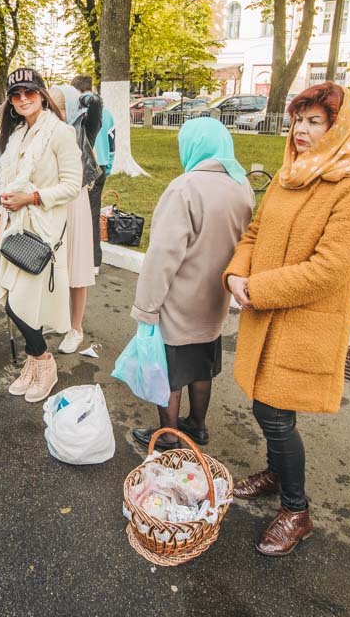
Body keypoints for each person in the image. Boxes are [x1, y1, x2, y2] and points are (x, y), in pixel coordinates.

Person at [222, 82, 350, 556]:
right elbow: (256, 231)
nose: (301, 130)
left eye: (314, 122)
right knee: (265, 402)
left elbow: (330, 270)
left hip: (303, 320)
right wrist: (236, 274)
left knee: (274, 410)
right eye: (298, 119)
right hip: (265, 311)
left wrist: (258, 290)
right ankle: (275, 473)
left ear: (339, 127)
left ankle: (296, 510)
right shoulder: (292, 173)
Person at [129, 117, 255, 452]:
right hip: (216, 298)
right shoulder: (241, 185)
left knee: (169, 371)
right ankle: (197, 426)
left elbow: (163, 256)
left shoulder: (184, 188)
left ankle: (169, 435)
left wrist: (146, 307)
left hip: (180, 299)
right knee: (202, 366)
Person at [0, 68, 82, 404]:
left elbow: (72, 185)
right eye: (16, 94)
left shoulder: (60, 133)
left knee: (20, 304)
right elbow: (9, 181)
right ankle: (35, 362)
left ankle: (45, 362)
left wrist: (31, 198)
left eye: (29, 92)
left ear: (42, 94)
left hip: (42, 231)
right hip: (14, 227)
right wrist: (1, 215)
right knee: (12, 304)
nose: (23, 99)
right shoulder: (17, 135)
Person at [47, 85, 98, 354]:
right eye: (50, 106)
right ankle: (57, 318)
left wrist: (84, 98)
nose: (54, 112)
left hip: (74, 202)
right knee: (53, 265)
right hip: (50, 203)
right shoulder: (44, 130)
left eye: (60, 107)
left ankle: (75, 328)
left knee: (76, 267)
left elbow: (95, 107)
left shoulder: (83, 129)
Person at [73, 75, 113, 270]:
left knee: (80, 215)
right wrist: (109, 165)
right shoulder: (108, 113)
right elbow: (112, 141)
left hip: (84, 167)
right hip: (102, 166)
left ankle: (84, 260)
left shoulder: (79, 112)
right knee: (93, 214)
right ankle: (95, 261)